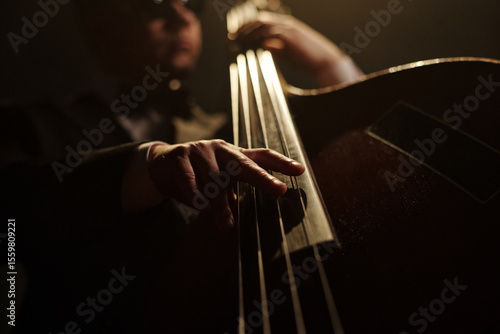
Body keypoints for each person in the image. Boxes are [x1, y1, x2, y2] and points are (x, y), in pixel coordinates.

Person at [0, 0, 363, 332]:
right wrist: (149, 165)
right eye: (155, 6)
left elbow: (358, 170)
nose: (182, 18)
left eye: (193, 4)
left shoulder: (235, 131)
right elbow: (13, 217)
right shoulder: (27, 122)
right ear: (97, 21)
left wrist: (332, 65)